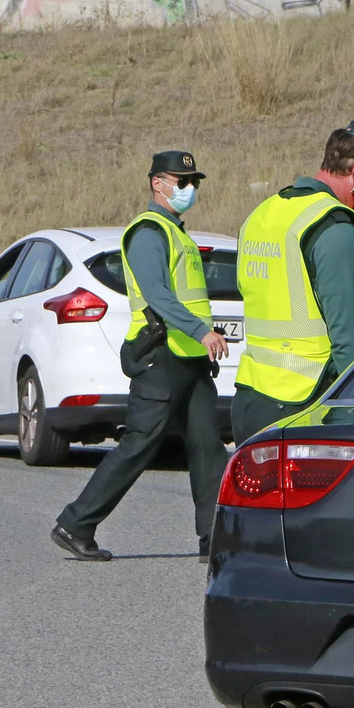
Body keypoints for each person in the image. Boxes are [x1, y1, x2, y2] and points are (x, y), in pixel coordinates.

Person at [51, 151, 229, 562]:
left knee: (208, 449)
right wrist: (202, 331)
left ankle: (215, 539)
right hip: (161, 358)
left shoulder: (176, 232)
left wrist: (205, 338)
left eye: (194, 182)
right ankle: (76, 524)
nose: (189, 189)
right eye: (180, 181)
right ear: (157, 184)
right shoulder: (148, 232)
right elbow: (158, 295)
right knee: (139, 445)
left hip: (189, 361)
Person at [230, 115, 354, 444]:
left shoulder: (262, 214)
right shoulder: (333, 225)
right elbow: (347, 335)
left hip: (249, 397)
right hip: (303, 403)